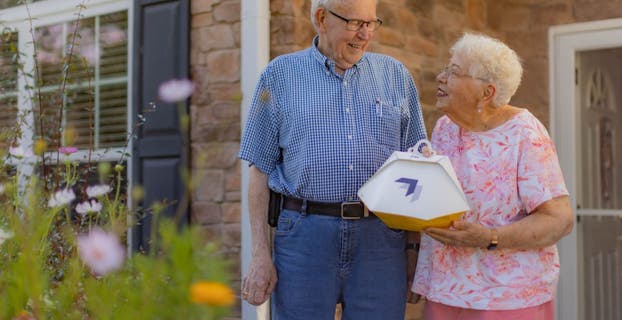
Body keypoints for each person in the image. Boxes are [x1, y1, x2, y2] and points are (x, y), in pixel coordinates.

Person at [237, 0, 427, 319]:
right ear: (322, 19)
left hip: (380, 239)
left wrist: (413, 252)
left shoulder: (396, 76)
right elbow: (259, 170)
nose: (365, 34)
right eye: (355, 24)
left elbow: (416, 171)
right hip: (303, 236)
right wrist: (260, 253)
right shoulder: (279, 75)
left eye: (371, 23)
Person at [411, 33, 574, 320]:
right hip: (447, 290)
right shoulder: (445, 128)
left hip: (507, 298)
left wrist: (490, 237)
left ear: (486, 93)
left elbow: (559, 220)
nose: (440, 77)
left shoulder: (525, 133)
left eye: (453, 72)